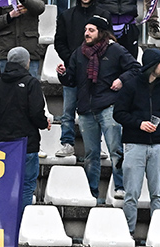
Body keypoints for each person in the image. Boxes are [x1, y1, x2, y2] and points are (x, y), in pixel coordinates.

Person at [57, 15, 140, 201]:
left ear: (101, 33)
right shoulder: (79, 52)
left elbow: (135, 68)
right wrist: (62, 74)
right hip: (86, 109)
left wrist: (121, 80)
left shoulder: (115, 49)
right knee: (91, 155)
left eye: (91, 30)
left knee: (115, 150)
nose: (86, 33)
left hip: (109, 106)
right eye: (85, 30)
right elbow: (71, 79)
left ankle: (120, 187)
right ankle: (92, 193)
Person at [113, 49, 160, 234]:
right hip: (134, 145)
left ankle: (158, 235)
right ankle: (128, 233)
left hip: (158, 147)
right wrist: (139, 124)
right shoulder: (131, 86)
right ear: (153, 65)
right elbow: (119, 113)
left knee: (158, 194)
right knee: (131, 194)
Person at [0, 47, 50, 206]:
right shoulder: (31, 83)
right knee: (27, 186)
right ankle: (22, 223)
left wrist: (1, 136)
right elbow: (36, 112)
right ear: (27, 62)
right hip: (27, 144)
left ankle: (4, 223)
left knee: (5, 185)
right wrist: (44, 124)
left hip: (6, 145)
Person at [52, 0, 102, 158]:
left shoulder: (102, 15)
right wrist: (73, 60)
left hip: (98, 71)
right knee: (68, 110)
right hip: (72, 71)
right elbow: (59, 42)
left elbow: (107, 40)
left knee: (98, 109)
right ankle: (67, 143)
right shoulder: (67, 15)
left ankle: (98, 145)